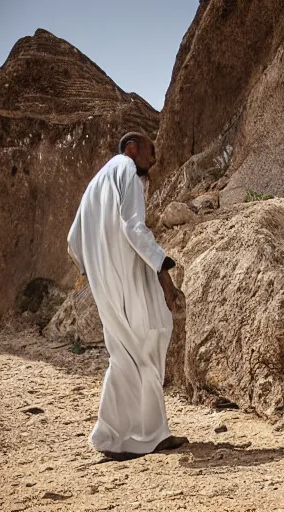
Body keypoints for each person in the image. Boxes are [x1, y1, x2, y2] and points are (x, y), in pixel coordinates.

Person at [67, 132, 188, 460]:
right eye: (151, 152)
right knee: (151, 336)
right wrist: (165, 276)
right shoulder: (126, 171)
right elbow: (134, 228)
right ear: (132, 148)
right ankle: (146, 434)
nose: (154, 160)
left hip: (106, 282)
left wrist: (95, 271)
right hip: (130, 277)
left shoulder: (96, 183)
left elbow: (73, 239)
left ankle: (114, 435)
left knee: (125, 352)